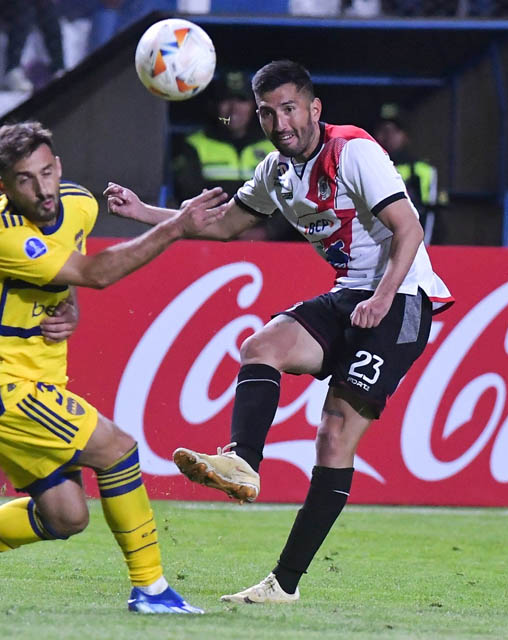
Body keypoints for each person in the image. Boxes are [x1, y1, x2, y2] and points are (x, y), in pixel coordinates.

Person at [105, 60, 453, 604]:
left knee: (334, 438)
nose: (278, 121)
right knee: (260, 346)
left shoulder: (353, 150)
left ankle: (283, 583)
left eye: (289, 108)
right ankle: (243, 461)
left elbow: (408, 228)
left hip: (402, 298)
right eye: (267, 112)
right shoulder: (277, 172)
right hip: (349, 296)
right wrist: (145, 212)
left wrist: (383, 298)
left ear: (314, 109)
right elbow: (221, 225)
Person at [0, 121, 225, 614]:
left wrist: (69, 302)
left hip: (30, 379)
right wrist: (176, 226)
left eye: (47, 171)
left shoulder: (78, 203)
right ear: (3, 187)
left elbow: (69, 264)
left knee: (66, 516)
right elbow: (96, 272)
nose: (42, 187)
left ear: (60, 168)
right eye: (25, 179)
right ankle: (152, 591)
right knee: (117, 450)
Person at [170, 71, 290, 241]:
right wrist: (223, 229)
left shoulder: (274, 147)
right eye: (226, 100)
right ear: (214, 105)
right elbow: (186, 197)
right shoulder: (194, 144)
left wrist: (268, 231)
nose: (234, 109)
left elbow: (290, 197)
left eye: (242, 100)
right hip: (208, 239)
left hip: (267, 243)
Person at [371, 104, 444, 244]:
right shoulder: (364, 165)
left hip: (410, 247)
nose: (388, 135)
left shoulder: (422, 170)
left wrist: (424, 248)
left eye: (395, 130)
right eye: (383, 129)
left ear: (405, 135)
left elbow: (430, 215)